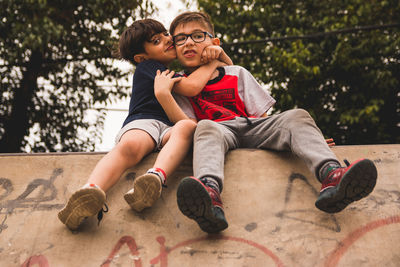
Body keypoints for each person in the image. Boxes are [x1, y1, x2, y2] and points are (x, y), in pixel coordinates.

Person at [165, 11, 378, 234]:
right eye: (180, 38)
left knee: (297, 116)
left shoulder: (236, 72)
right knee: (205, 126)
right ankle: (208, 194)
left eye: (197, 36)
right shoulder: (178, 83)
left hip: (251, 126)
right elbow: (187, 125)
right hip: (218, 132)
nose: (188, 42)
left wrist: (305, 139)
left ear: (214, 42)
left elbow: (264, 121)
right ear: (175, 48)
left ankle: (332, 175)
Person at [58, 18, 232, 230]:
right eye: (157, 41)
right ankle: (90, 190)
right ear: (142, 57)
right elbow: (193, 87)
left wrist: (220, 56)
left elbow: (231, 73)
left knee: (187, 127)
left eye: (166, 35)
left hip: (168, 127)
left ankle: (155, 177)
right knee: (130, 147)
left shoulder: (170, 72)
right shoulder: (151, 67)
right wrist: (215, 60)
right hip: (144, 121)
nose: (169, 40)